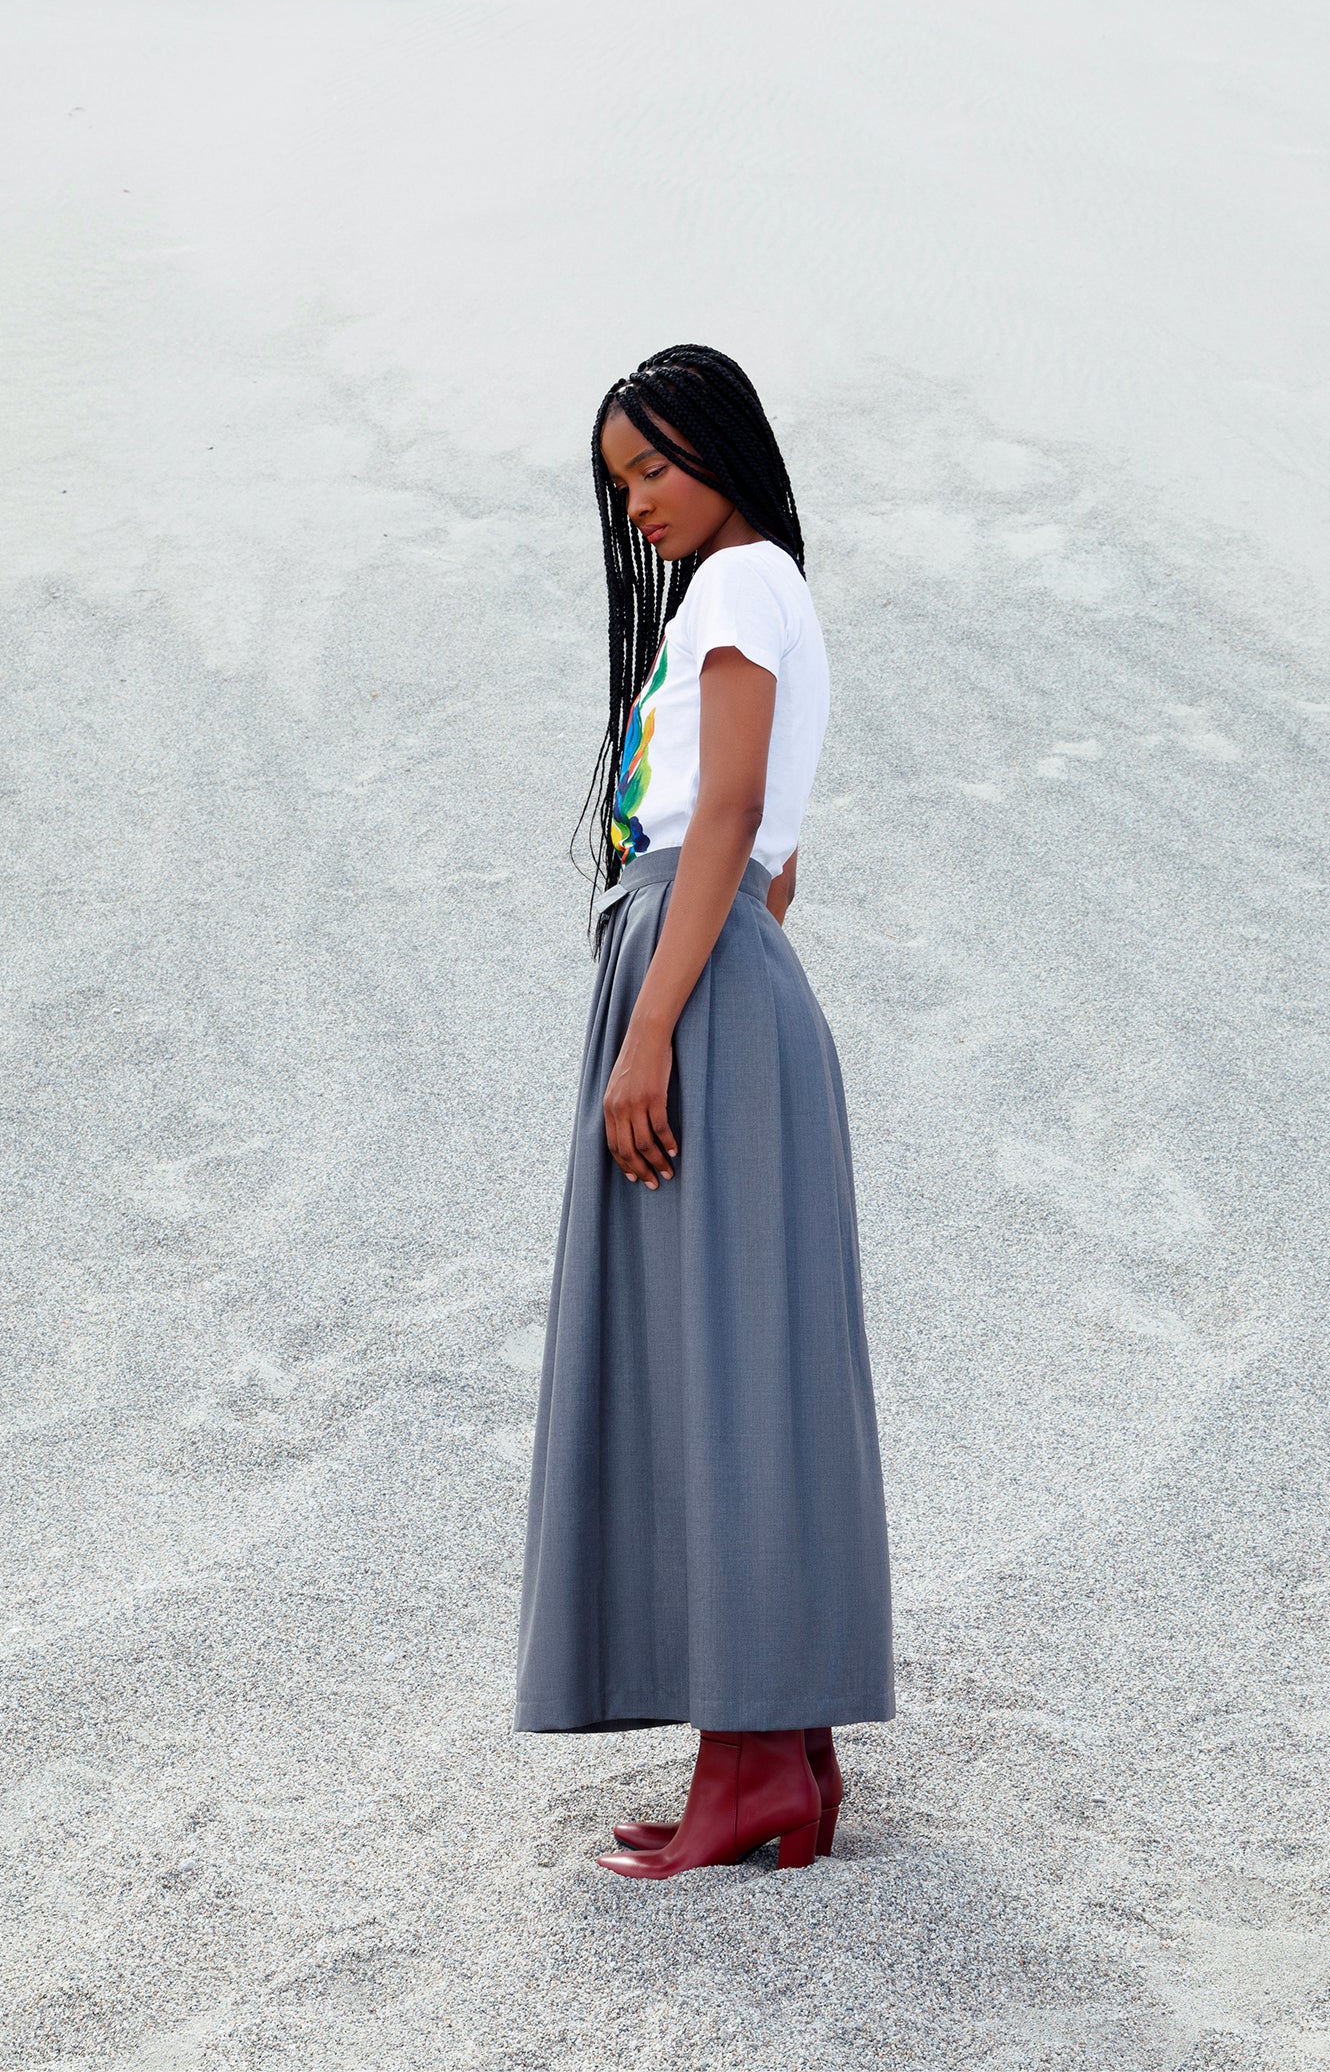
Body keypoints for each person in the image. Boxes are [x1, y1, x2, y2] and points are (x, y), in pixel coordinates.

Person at [514, 344, 894, 1879]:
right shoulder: (769, 592)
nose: (640, 505)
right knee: (746, 1371)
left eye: (656, 466)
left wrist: (655, 1026)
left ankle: (749, 1771)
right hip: (729, 972)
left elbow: (728, 816)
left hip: (696, 985)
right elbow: (774, 858)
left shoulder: (736, 587)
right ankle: (784, 1758)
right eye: (621, 484)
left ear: (722, 449)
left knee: (715, 1376)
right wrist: (713, 979)